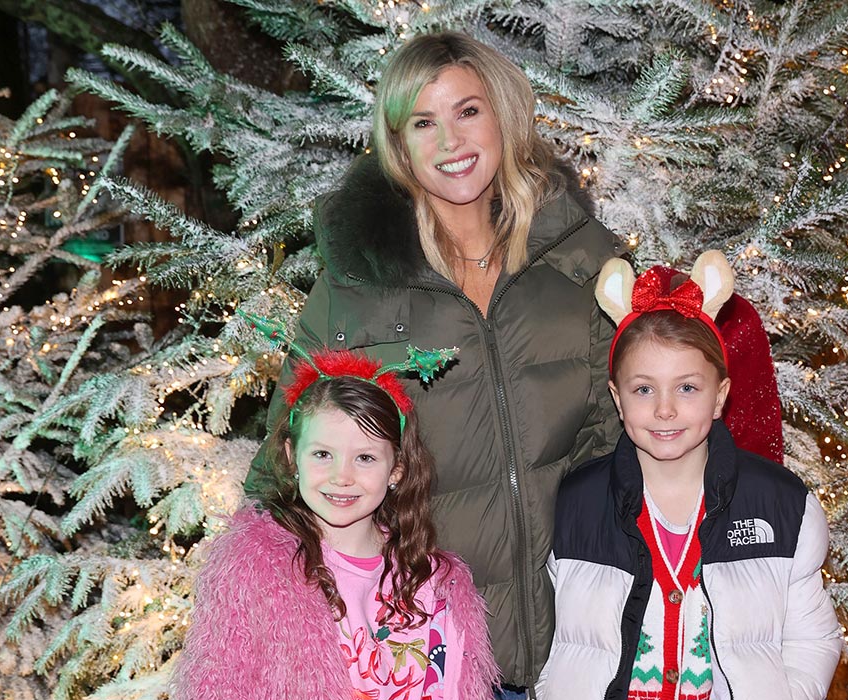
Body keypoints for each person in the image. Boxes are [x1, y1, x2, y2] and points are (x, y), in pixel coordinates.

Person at [243, 32, 623, 690]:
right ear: (398, 144)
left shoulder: (578, 256)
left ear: (503, 114)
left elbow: (625, 430)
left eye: (467, 111)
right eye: (424, 122)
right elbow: (288, 457)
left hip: (584, 644)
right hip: (431, 655)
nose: (451, 142)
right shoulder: (358, 284)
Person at [537, 252, 843, 699]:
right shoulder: (573, 504)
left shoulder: (782, 506)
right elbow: (552, 640)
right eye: (643, 389)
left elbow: (812, 640)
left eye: (687, 388)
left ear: (720, 396)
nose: (665, 409)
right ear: (617, 400)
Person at [175, 347, 499, 700]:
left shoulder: (436, 582)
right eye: (322, 454)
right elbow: (219, 688)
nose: (341, 476)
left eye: (365, 457)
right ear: (292, 456)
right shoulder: (256, 573)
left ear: (396, 469)